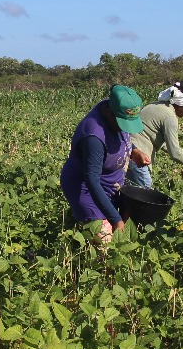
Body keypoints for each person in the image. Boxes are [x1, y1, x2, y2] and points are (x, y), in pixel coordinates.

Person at [60, 84, 144, 242]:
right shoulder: (93, 137)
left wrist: (134, 151)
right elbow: (92, 181)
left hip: (110, 186)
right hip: (86, 189)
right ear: (108, 112)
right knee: (105, 242)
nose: (123, 127)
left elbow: (120, 137)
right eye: (122, 122)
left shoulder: (116, 113)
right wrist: (115, 219)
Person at [125, 81, 183, 189]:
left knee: (128, 192)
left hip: (126, 150)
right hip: (139, 157)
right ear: (182, 103)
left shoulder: (157, 105)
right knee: (146, 196)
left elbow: (164, 144)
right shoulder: (170, 117)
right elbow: (175, 153)